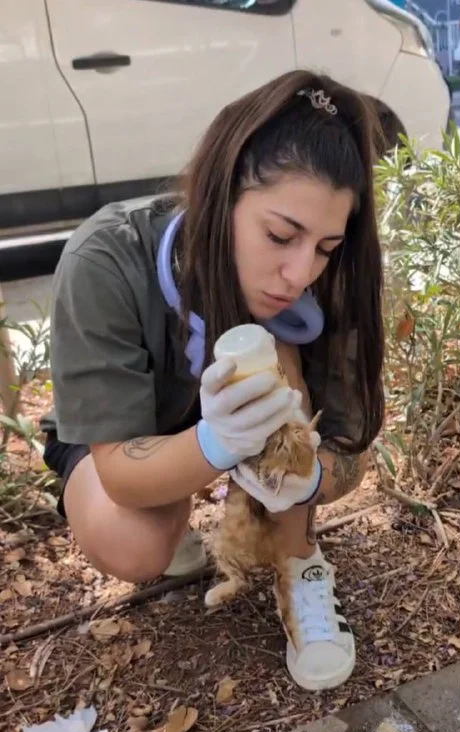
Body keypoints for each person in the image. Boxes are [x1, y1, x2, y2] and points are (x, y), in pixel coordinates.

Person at [40, 69, 385, 692]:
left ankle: (300, 564)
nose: (299, 273)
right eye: (280, 235)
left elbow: (350, 450)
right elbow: (118, 468)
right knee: (135, 544)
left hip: (236, 412)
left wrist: (306, 477)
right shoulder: (107, 258)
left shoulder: (331, 279)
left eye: (325, 246)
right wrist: (215, 444)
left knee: (278, 355)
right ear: (218, 194)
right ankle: (173, 509)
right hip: (134, 426)